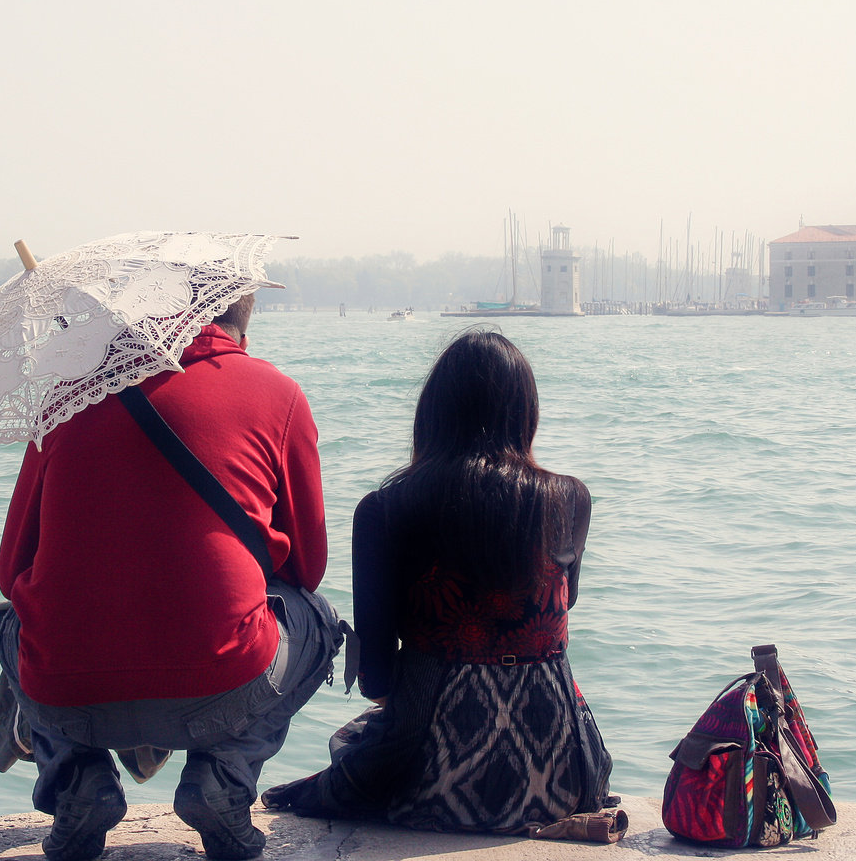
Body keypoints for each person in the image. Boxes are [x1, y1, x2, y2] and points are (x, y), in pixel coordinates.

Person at [0, 294, 341, 861]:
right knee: (320, 621)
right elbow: (308, 568)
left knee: (10, 621)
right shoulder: (277, 394)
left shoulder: (67, 396)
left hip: (67, 691)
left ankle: (75, 778)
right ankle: (222, 780)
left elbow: (12, 573)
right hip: (226, 680)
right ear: (240, 325)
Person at [261, 329, 612, 833]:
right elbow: (562, 605)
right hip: (560, 774)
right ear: (525, 414)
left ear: (431, 413)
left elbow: (378, 677)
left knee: (351, 745)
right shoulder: (570, 499)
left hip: (428, 777)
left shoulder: (384, 510)